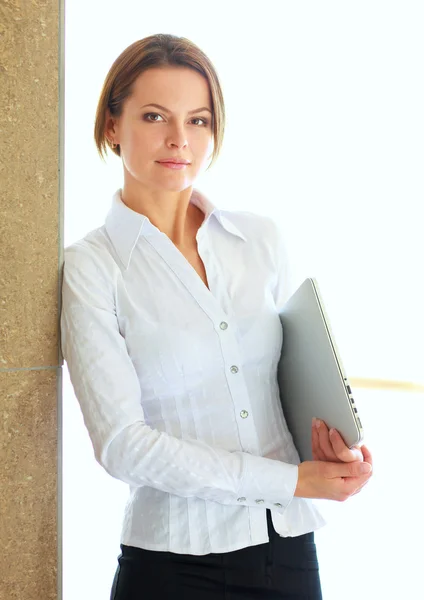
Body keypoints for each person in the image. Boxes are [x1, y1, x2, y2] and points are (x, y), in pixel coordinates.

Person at [60, 33, 373, 600]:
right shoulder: (92, 266)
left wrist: (327, 449)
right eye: (155, 116)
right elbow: (122, 445)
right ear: (112, 125)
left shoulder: (260, 239)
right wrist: (289, 480)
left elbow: (280, 384)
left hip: (288, 552)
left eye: (199, 120)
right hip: (171, 566)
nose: (180, 139)